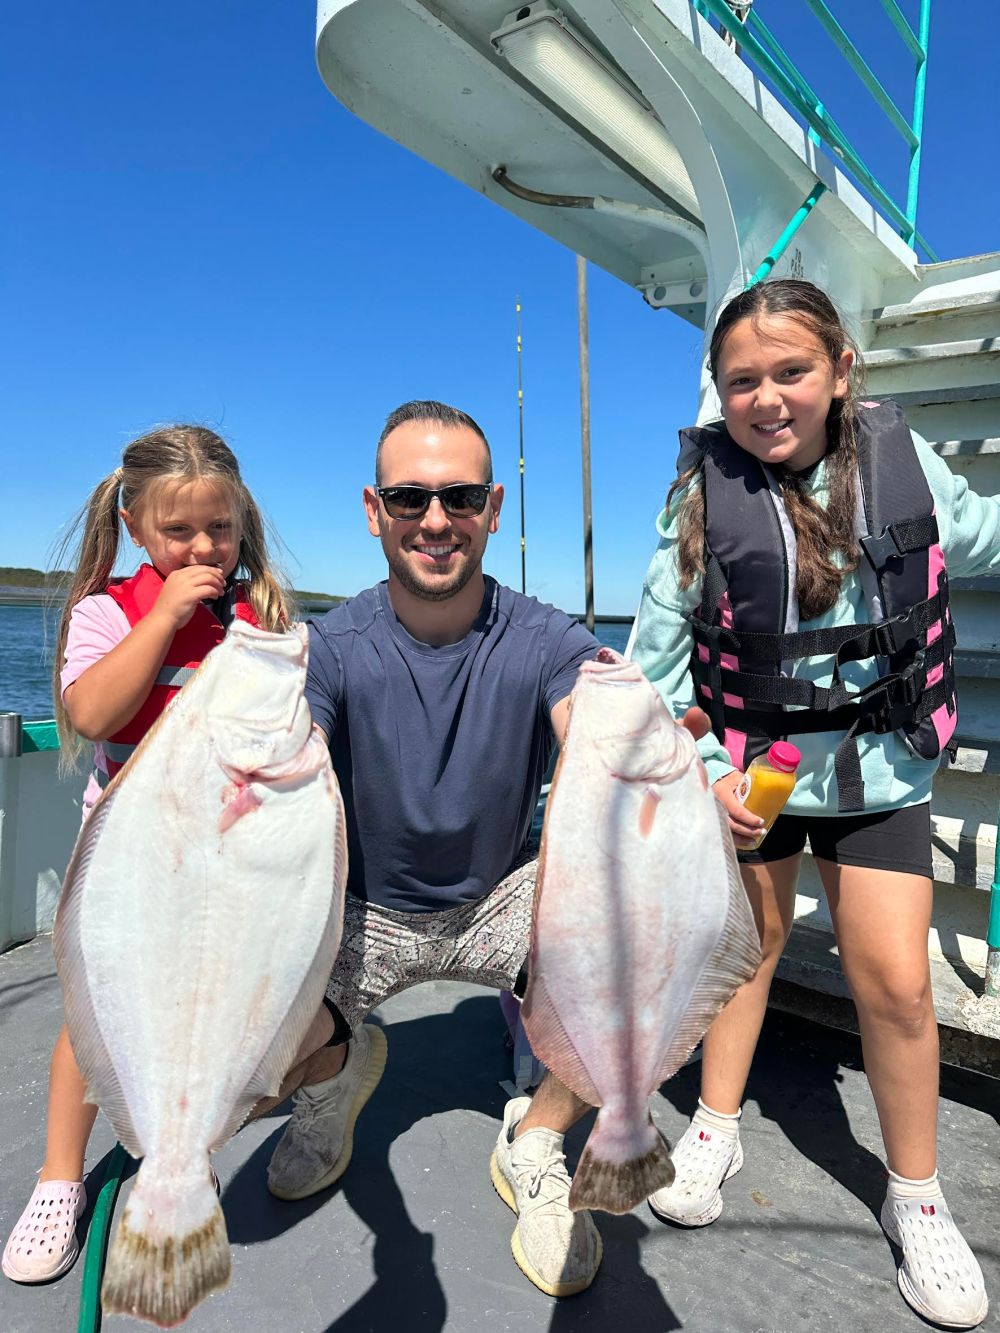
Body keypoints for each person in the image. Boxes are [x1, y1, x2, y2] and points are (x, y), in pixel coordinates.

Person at [258, 399, 705, 1299]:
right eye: (409, 496)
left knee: (634, 950)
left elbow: (590, 718)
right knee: (251, 1029)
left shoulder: (544, 636)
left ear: (494, 508)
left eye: (460, 497)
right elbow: (288, 746)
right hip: (366, 909)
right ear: (373, 508)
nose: (435, 520)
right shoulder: (330, 647)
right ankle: (337, 1075)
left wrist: (656, 768)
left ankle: (537, 1136)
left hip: (504, 897)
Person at [630, 279, 995, 1330]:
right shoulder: (698, 500)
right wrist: (704, 783)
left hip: (882, 774)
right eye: (741, 380)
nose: (766, 397)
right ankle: (713, 1121)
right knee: (743, 954)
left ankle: (916, 1194)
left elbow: (973, 537)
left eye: (790, 371)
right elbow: (652, 669)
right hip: (753, 779)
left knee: (893, 984)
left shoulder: (902, 463)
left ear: (840, 371)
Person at [2, 425, 290, 1285]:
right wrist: (165, 618)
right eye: (180, 532)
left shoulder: (256, 614)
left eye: (221, 528)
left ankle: (180, 1145)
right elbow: (90, 713)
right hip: (128, 859)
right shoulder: (106, 612)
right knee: (99, 1021)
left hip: (224, 857)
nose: (204, 547)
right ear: (135, 526)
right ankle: (60, 1179)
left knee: (199, 1015)